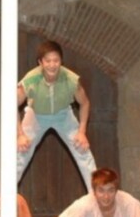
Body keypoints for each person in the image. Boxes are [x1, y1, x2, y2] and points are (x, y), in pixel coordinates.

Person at [16, 40, 96, 190]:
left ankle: (96, 195)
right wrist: (20, 134)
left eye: (56, 60)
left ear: (61, 61)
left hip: (63, 115)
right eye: (48, 61)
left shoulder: (71, 79)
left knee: (82, 149)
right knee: (20, 151)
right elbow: (11, 105)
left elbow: (85, 103)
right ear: (40, 62)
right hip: (36, 115)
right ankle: (4, 196)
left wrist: (82, 132)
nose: (52, 65)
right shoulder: (30, 79)